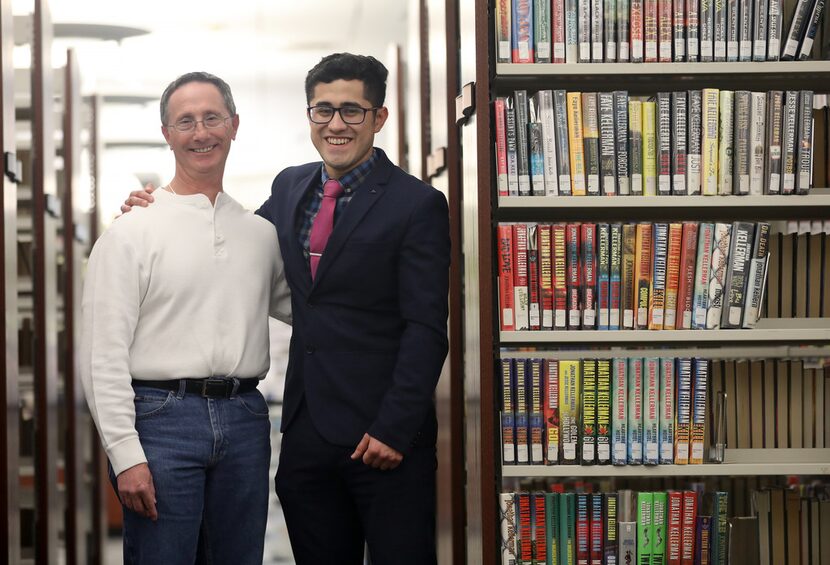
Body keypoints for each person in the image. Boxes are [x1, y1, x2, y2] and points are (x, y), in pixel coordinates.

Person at [123, 53, 451, 564]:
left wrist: (395, 427)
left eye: (352, 110)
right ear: (309, 115)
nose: (336, 124)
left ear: (378, 117)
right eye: (323, 110)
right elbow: (227, 244)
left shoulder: (417, 205)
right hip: (306, 437)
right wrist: (157, 209)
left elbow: (426, 328)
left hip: (383, 438)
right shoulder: (290, 187)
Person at [81, 71, 292, 565]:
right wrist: (125, 455)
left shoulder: (260, 234)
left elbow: (313, 317)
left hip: (244, 420)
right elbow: (102, 354)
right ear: (167, 134)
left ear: (234, 125)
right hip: (160, 422)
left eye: (212, 117)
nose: (201, 133)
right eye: (186, 121)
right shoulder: (131, 232)